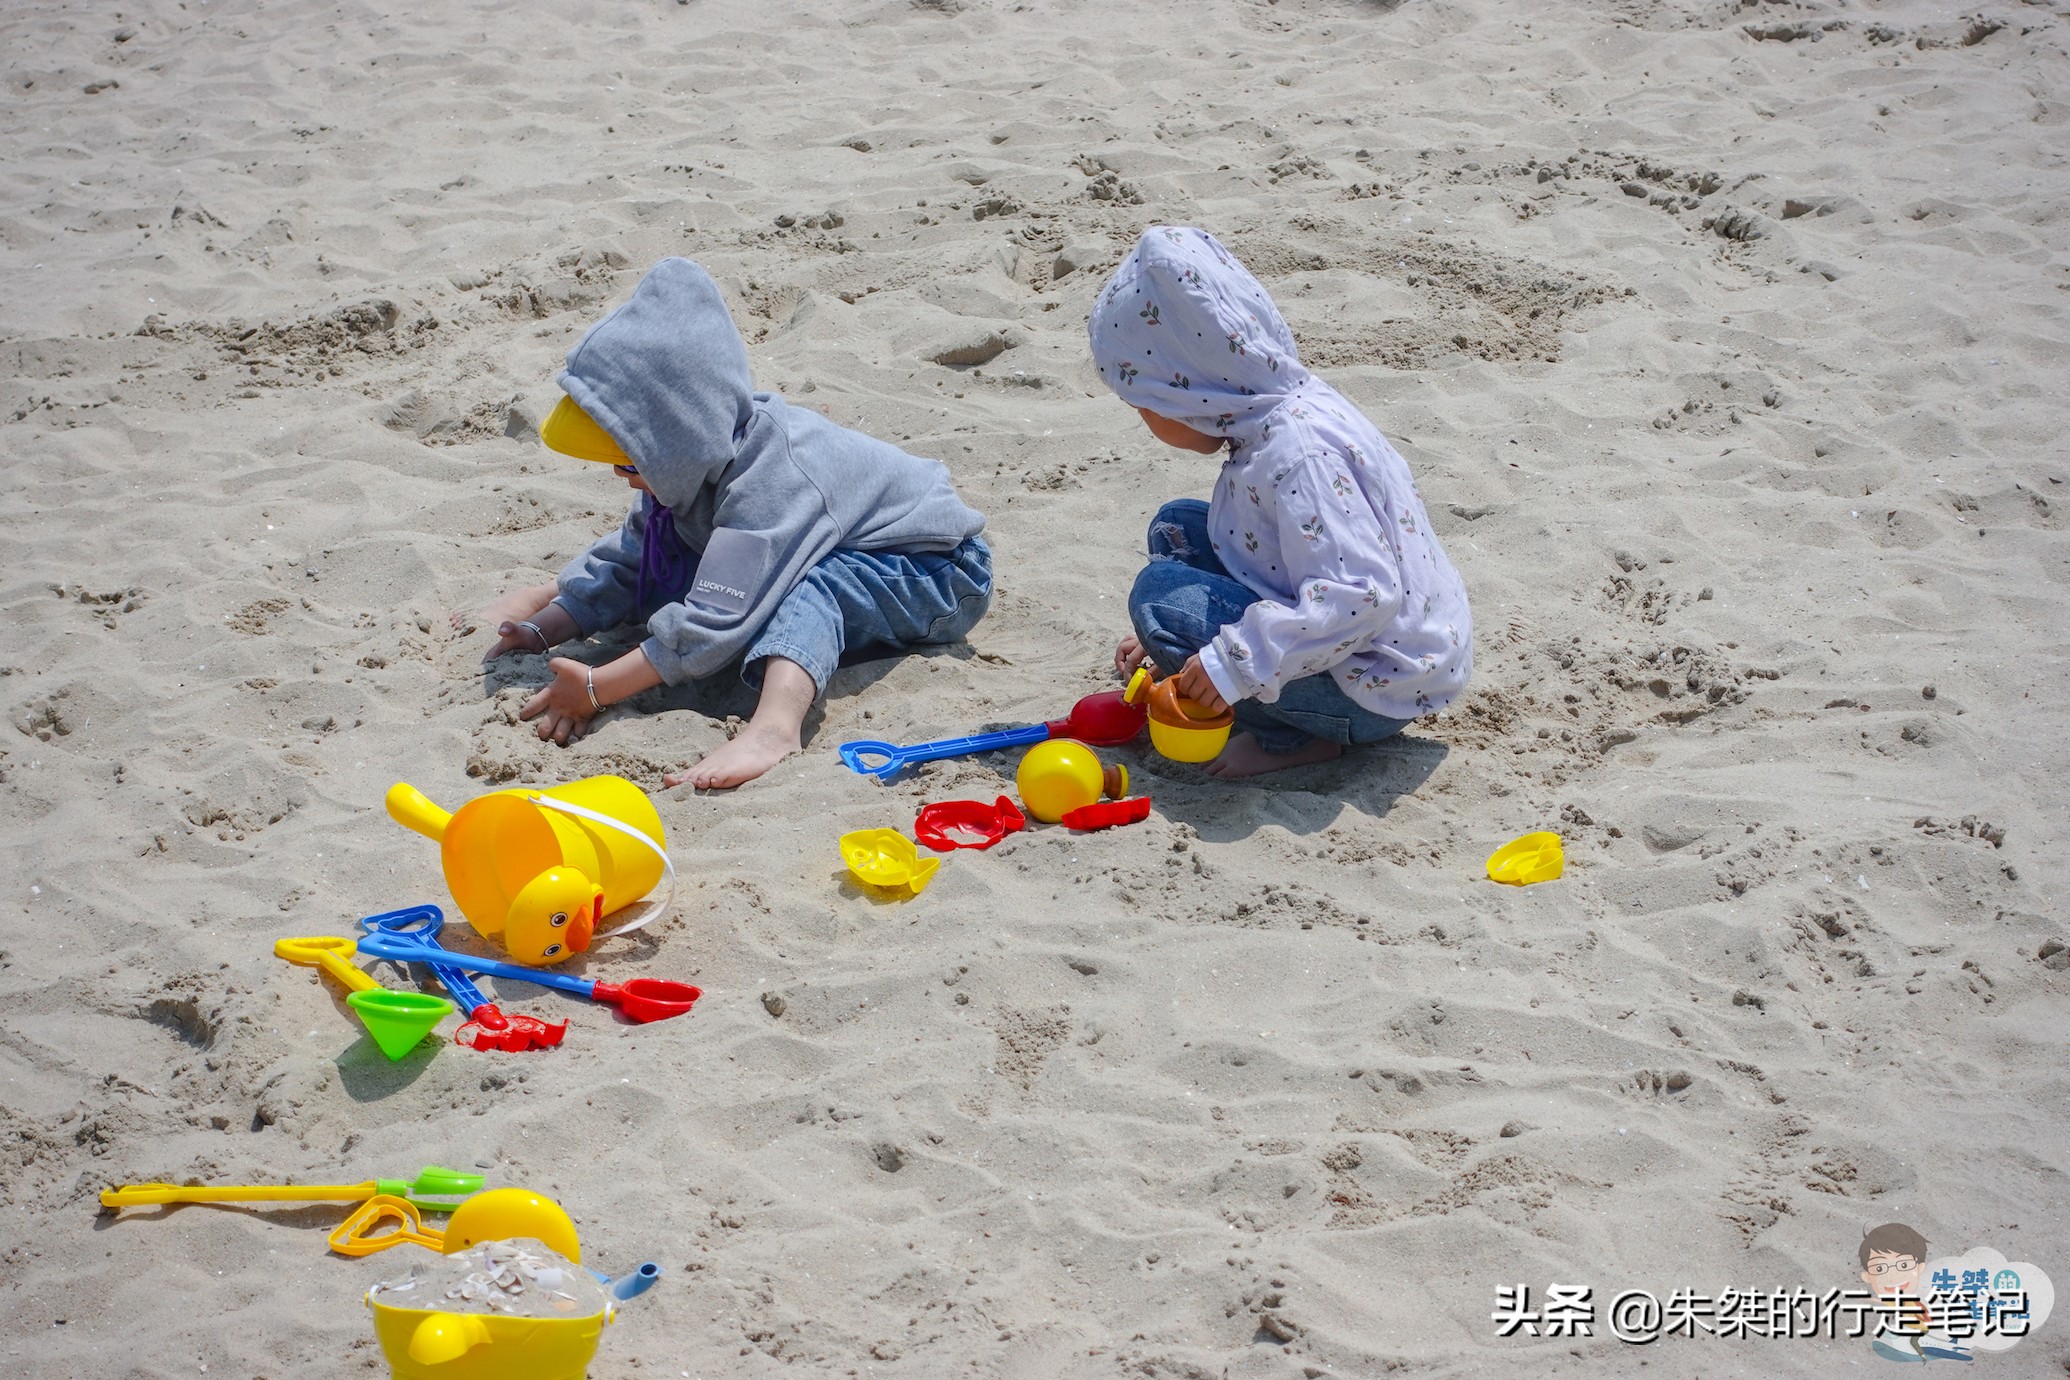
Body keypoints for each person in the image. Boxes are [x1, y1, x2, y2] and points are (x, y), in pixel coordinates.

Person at [476, 257, 990, 789]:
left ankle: (773, 729)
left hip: (935, 570)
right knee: (670, 543)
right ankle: (548, 595)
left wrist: (597, 687)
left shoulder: (773, 480)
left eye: (631, 462)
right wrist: (549, 627)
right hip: (844, 544)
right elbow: (637, 555)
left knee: (813, 586)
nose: (617, 473)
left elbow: (712, 625)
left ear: (679, 443)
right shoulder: (697, 461)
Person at [1091, 226, 1471, 777]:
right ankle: (1210, 659)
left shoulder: (1301, 457)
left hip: (1373, 685)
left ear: (1192, 392)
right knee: (1176, 527)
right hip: (1359, 642)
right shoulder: (1268, 410)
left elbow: (1360, 596)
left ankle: (1288, 741)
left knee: (1158, 596)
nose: (1145, 422)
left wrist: (1231, 660)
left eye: (1144, 405)